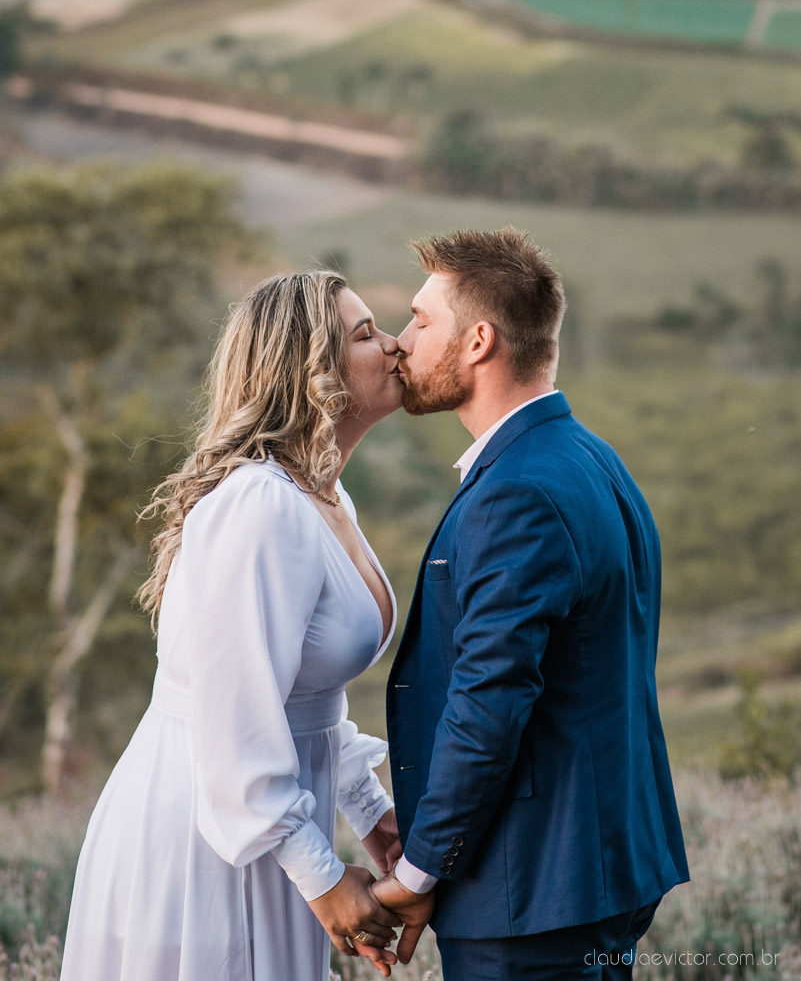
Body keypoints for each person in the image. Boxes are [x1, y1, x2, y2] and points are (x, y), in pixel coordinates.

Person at [60, 270, 407, 981]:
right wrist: (320, 875)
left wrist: (369, 809)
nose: (396, 345)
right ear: (312, 373)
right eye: (366, 334)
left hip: (266, 823)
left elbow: (306, 695)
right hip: (207, 838)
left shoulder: (324, 495)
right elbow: (236, 717)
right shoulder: (261, 506)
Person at [372, 227, 690, 980]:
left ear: (478, 341)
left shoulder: (515, 492)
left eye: (420, 321)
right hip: (594, 868)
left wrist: (419, 871)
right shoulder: (590, 457)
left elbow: (489, 700)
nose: (400, 342)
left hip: (532, 888)